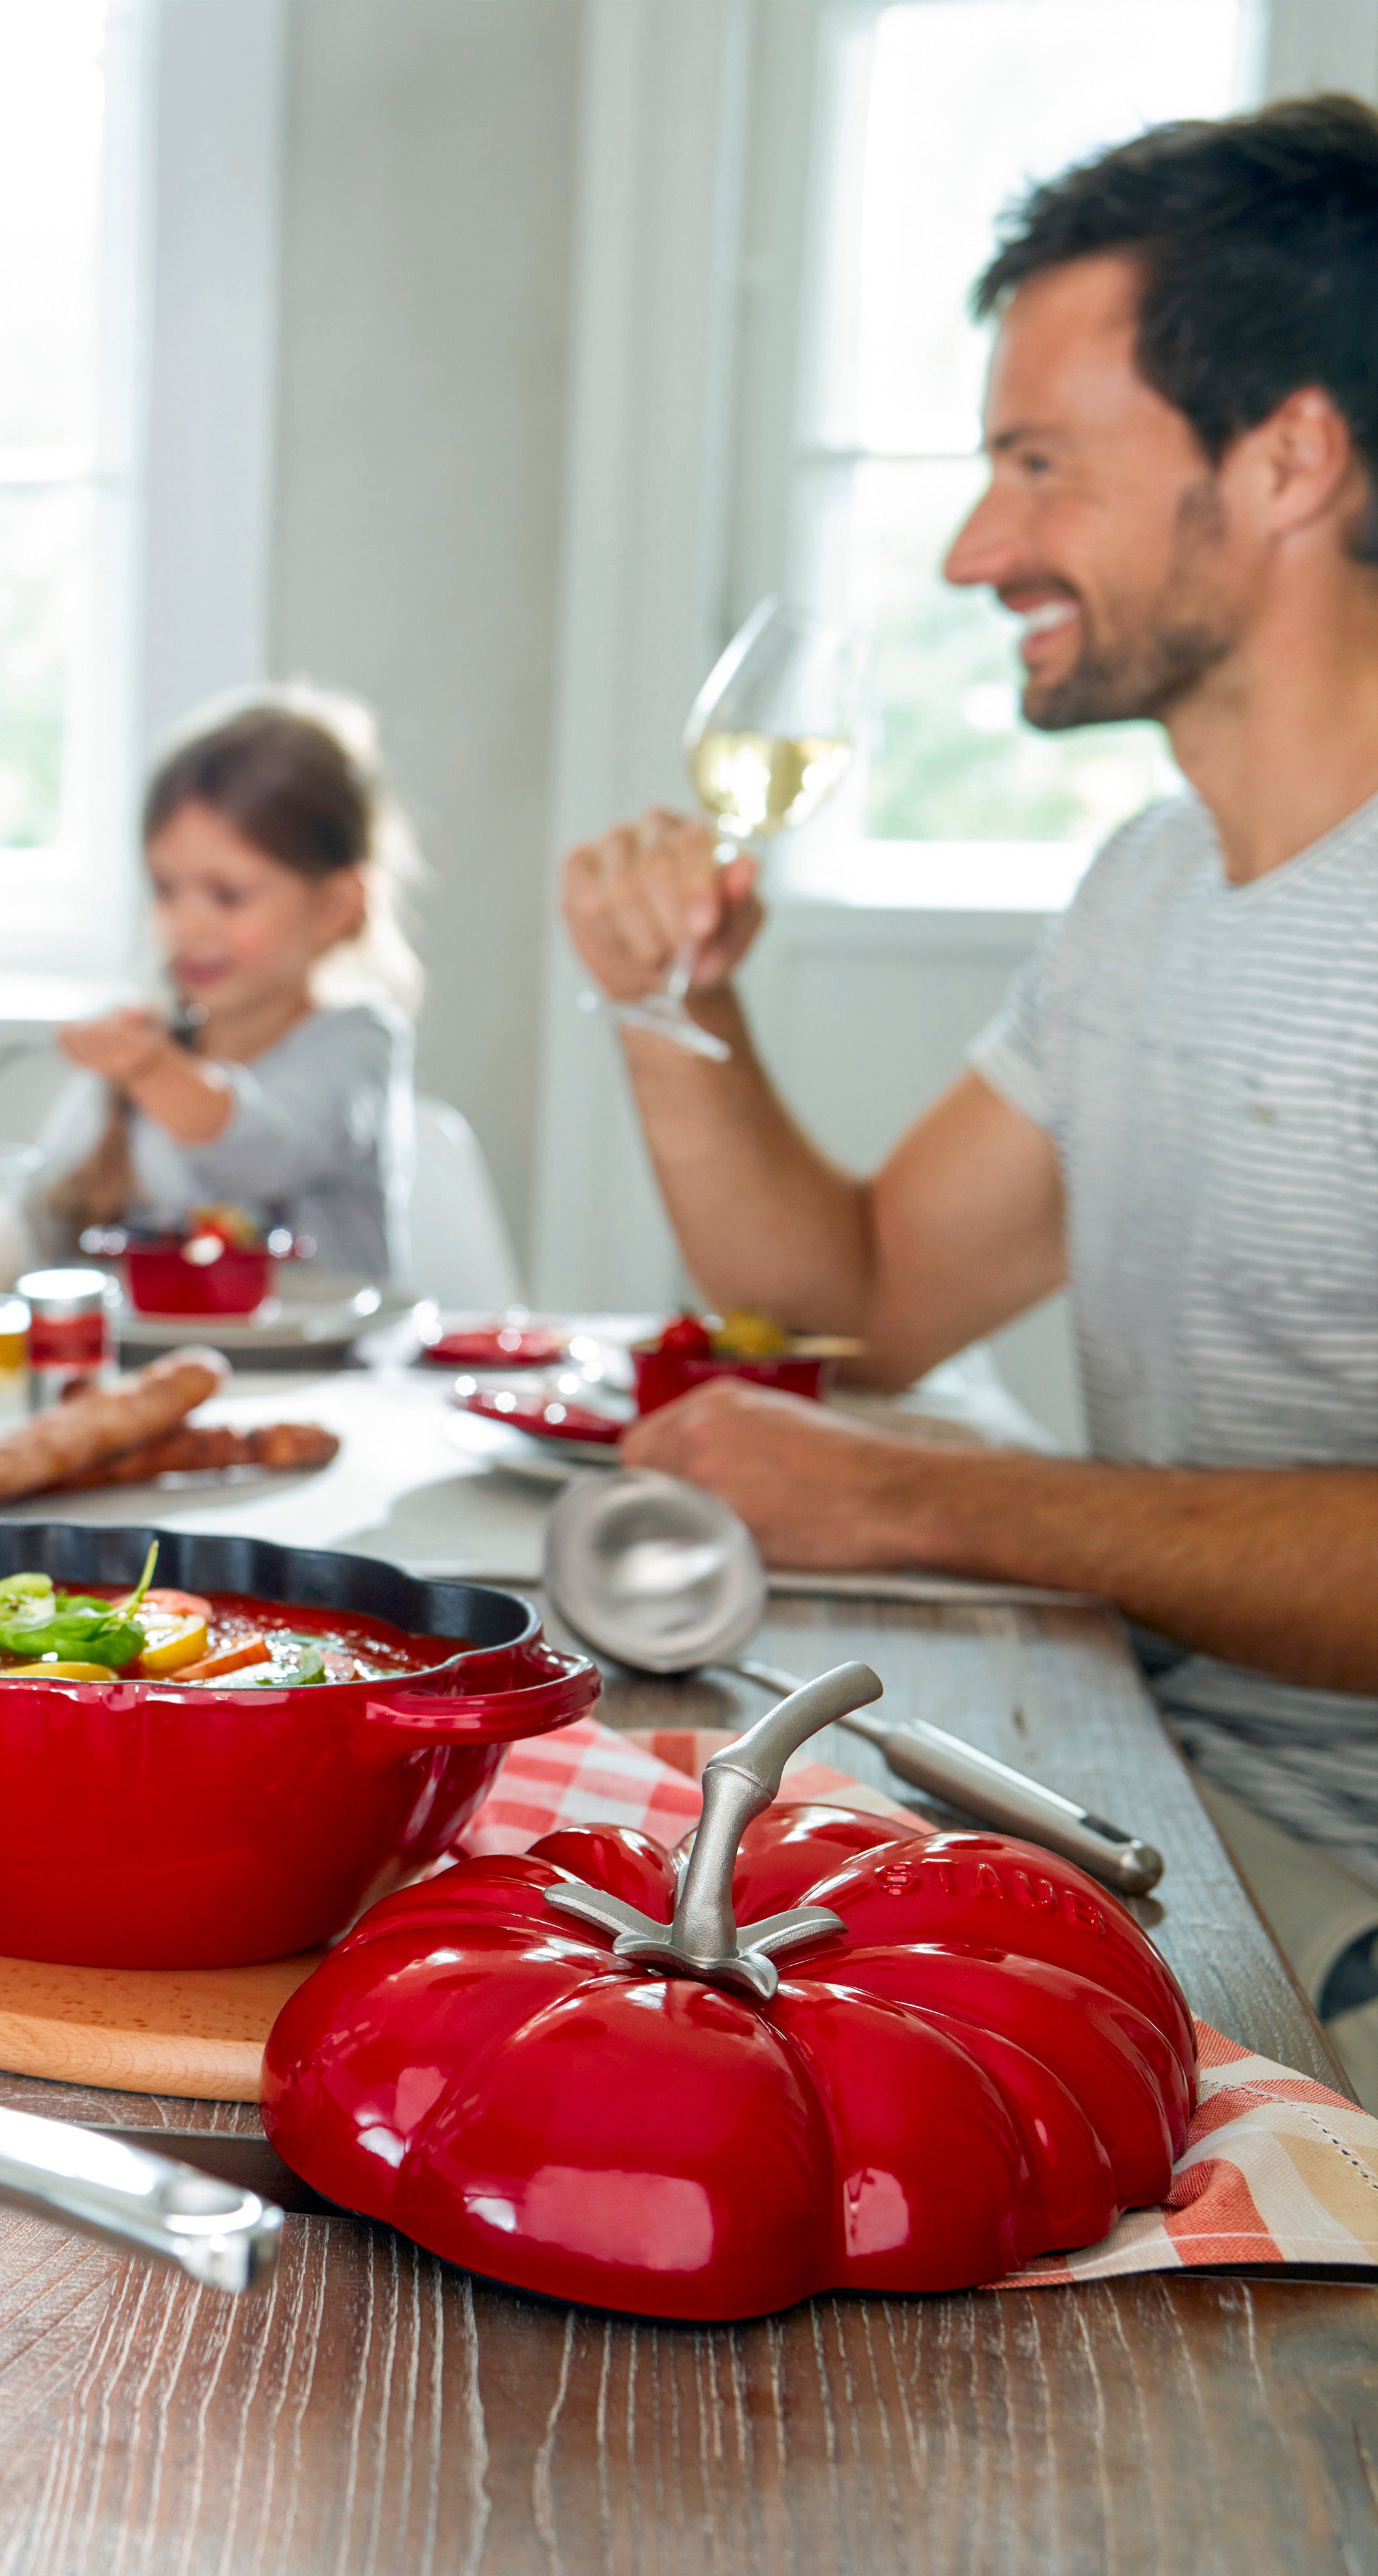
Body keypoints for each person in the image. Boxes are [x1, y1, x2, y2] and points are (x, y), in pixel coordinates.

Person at [559, 101, 1378, 1921]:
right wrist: (668, 1006)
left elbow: (881, 1437)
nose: (969, 548)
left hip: (1325, 1879)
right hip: (1136, 1783)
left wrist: (926, 1502)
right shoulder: (1150, 887)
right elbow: (861, 1309)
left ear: (1289, 460)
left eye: (1038, 465)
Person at [40, 688, 422, 1280]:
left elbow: (262, 1152)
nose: (185, 925)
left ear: (335, 907)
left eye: (228, 895)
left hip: (331, 1372)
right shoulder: (143, 1046)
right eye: (165, 889)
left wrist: (151, 1072)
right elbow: (44, 1215)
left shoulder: (358, 1045)